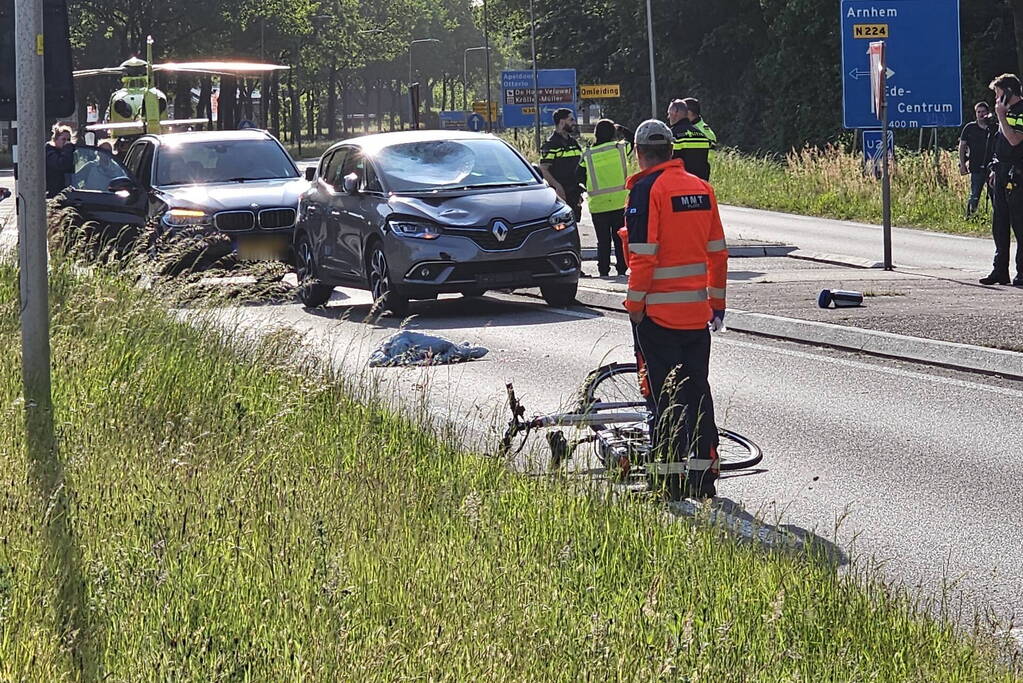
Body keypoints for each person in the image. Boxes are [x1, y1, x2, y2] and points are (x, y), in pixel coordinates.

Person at [617, 119, 728, 500]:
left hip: (658, 317)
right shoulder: (701, 188)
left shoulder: (648, 190)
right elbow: (718, 253)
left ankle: (668, 481)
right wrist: (716, 304)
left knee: (663, 398)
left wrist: (634, 305)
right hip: (697, 316)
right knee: (697, 392)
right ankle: (703, 476)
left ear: (639, 151)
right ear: (672, 149)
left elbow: (643, 255)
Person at [984, 73, 1023, 286]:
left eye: (998, 94)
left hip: (1017, 173)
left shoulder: (1020, 112)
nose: (996, 100)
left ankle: (1022, 272)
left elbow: (1015, 140)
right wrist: (994, 169)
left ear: (1009, 93)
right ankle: (1000, 270)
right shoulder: (1005, 112)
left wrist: (1001, 116)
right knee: (999, 223)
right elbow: (1001, 144)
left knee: (1019, 223)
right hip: (1001, 171)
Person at [582, 119, 631, 277]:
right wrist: (621, 127)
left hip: (598, 205)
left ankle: (603, 270)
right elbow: (634, 139)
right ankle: (622, 269)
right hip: (619, 202)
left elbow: (578, 175)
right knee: (619, 239)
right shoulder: (620, 149)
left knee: (603, 241)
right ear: (612, 133)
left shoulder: (588, 154)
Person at [539, 108, 586, 222]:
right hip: (561, 194)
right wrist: (557, 187)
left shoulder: (573, 143)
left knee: (574, 225)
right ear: (562, 122)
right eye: (571, 120)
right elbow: (544, 170)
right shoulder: (551, 144)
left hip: (574, 192)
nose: (574, 123)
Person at [959, 102, 996, 217]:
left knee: (995, 195)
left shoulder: (994, 127)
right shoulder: (970, 128)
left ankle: (999, 219)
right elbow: (962, 146)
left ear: (987, 113)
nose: (981, 114)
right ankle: (970, 217)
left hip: (992, 167)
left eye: (983, 111)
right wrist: (962, 163)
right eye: (978, 112)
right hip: (976, 166)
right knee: (975, 194)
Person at [666, 99, 712, 181]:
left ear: (675, 112)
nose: (668, 117)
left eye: (669, 113)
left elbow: (668, 163)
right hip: (700, 185)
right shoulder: (702, 135)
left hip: (681, 185)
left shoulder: (672, 135)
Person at [682, 97, 717, 178]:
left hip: (699, 176)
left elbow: (709, 158)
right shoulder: (686, 128)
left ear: (689, 113)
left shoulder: (705, 132)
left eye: (682, 112)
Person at [45, 124, 76, 198]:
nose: (66, 142)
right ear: (55, 139)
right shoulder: (49, 152)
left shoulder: (68, 152)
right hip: (53, 191)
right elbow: (61, 164)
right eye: (63, 139)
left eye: (68, 140)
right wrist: (67, 149)